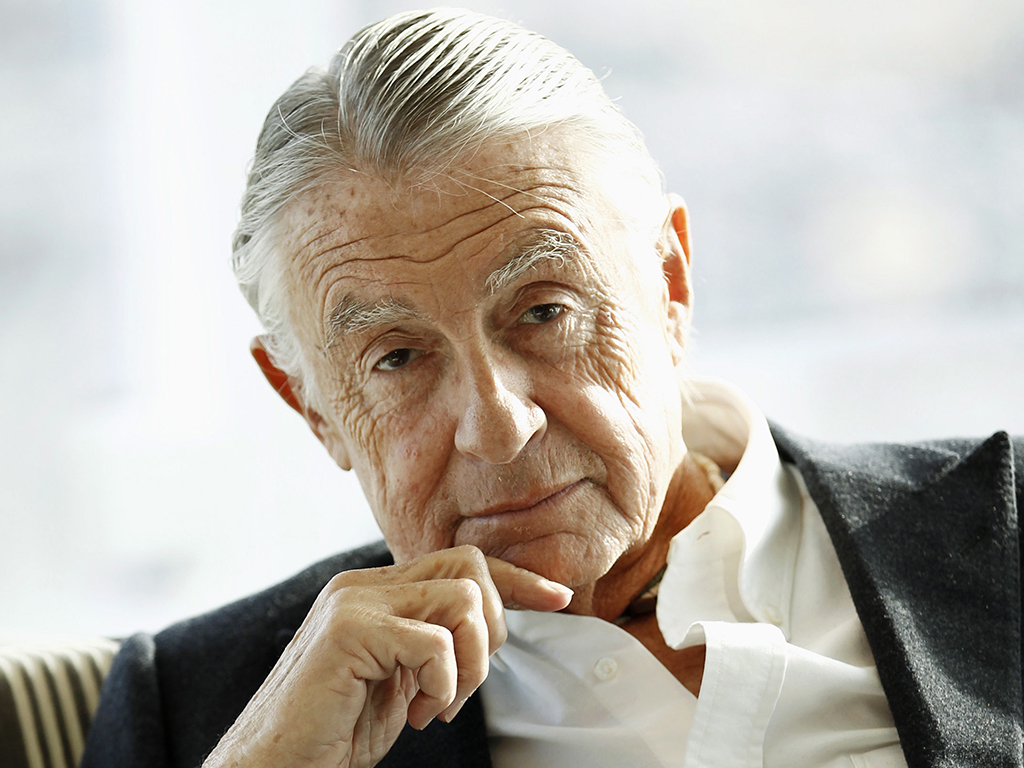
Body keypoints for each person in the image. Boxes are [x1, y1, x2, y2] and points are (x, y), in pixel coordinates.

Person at [81, 9, 1022, 768]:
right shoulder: (202, 711)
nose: (497, 426)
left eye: (542, 311)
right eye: (397, 358)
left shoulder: (1001, 528)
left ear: (669, 285)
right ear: (312, 407)